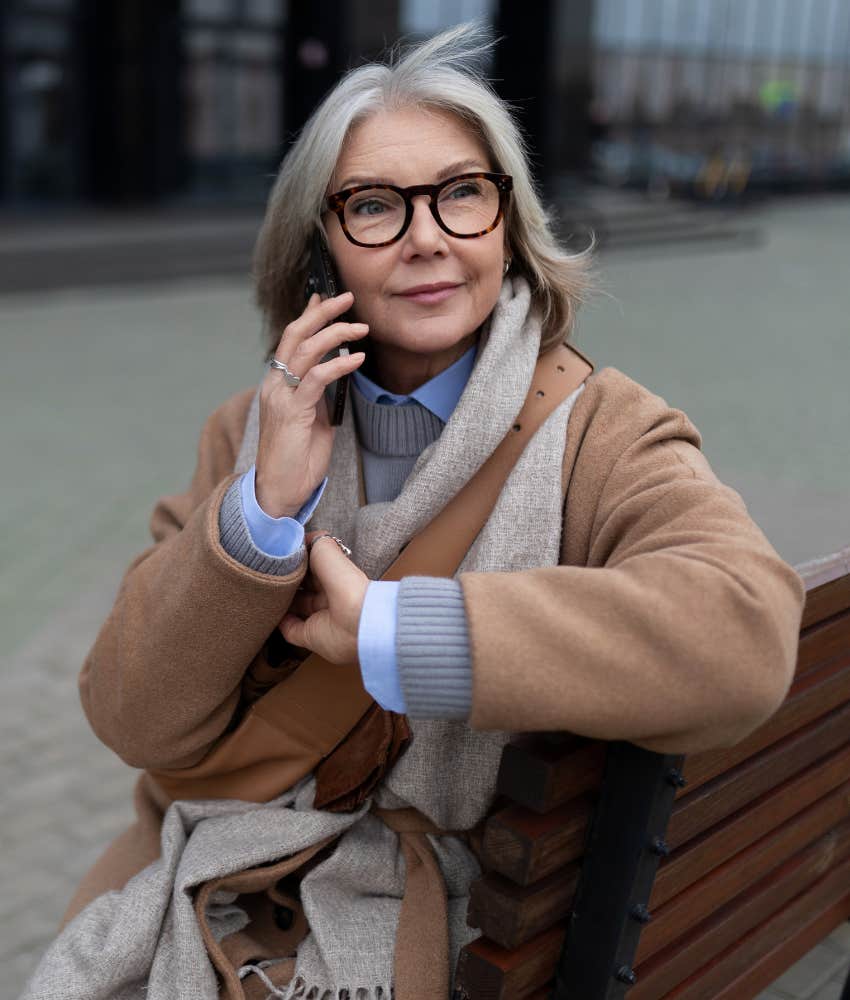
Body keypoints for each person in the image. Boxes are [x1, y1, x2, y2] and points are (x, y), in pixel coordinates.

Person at [23, 24, 805, 1000]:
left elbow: (743, 632)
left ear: (507, 222)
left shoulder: (603, 429)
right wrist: (261, 512)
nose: (429, 236)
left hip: (463, 926)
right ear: (318, 250)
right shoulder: (249, 433)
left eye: (461, 193)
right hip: (240, 862)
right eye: (376, 205)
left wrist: (395, 630)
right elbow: (133, 716)